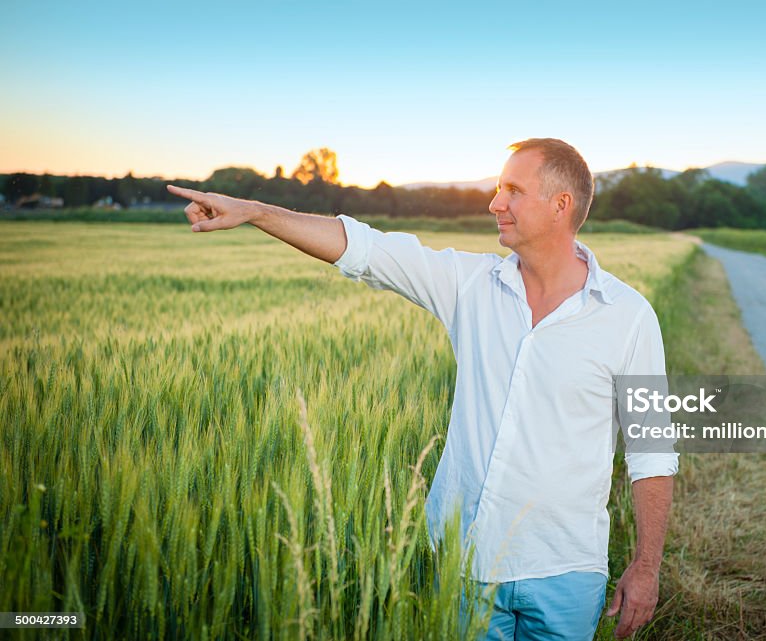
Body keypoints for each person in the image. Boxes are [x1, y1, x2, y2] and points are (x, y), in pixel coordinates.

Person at [167, 138, 677, 640]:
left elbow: (652, 451)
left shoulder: (628, 317)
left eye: (513, 191)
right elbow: (364, 248)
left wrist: (646, 566)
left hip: (565, 570)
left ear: (560, 205)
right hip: (463, 562)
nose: (495, 202)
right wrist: (256, 212)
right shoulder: (470, 285)